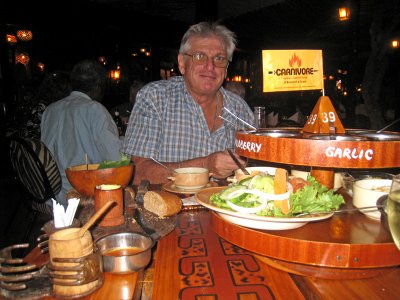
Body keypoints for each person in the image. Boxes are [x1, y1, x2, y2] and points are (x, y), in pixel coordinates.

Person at [123, 21, 254, 185]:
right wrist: (205, 166)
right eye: (200, 56)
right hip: (166, 208)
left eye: (219, 58)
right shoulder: (156, 98)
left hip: (225, 208)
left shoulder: (240, 109)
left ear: (226, 69)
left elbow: (256, 169)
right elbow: (136, 173)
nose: (210, 66)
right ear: (182, 63)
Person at [41, 59, 122, 206]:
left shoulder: (50, 110)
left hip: (51, 193)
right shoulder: (95, 110)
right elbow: (116, 159)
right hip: (84, 195)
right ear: (98, 86)